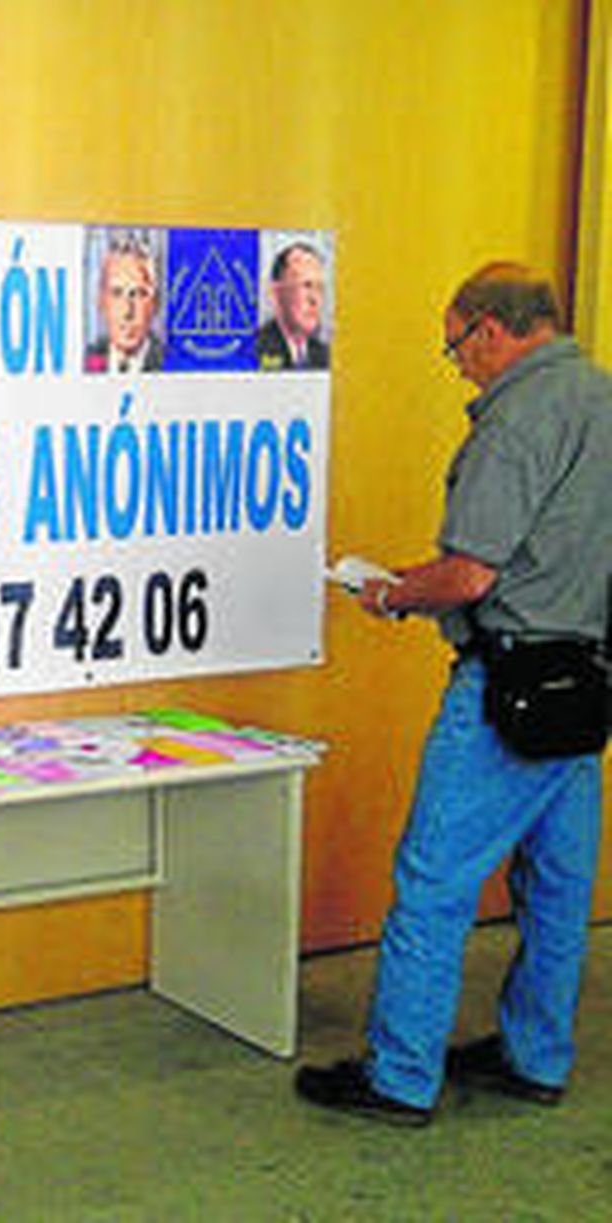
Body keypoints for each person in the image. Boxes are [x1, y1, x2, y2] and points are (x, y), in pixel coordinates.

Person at [295, 262, 612, 1126]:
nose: (459, 365)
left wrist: (392, 592)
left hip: (507, 689)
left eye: (456, 347)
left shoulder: (516, 419)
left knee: (433, 880)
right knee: (558, 888)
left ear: (491, 330)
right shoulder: (602, 398)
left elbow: (471, 575)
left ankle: (399, 1076)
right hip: (585, 688)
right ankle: (536, 1057)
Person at [85, 236, 164, 373]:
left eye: (138, 294)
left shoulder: (171, 362)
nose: (127, 311)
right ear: (101, 301)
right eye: (117, 293)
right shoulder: (85, 360)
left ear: (155, 303)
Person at [257, 242, 330, 370]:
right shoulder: (255, 351)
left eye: (320, 288)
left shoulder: (326, 356)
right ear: (276, 293)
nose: (315, 299)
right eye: (306, 285)